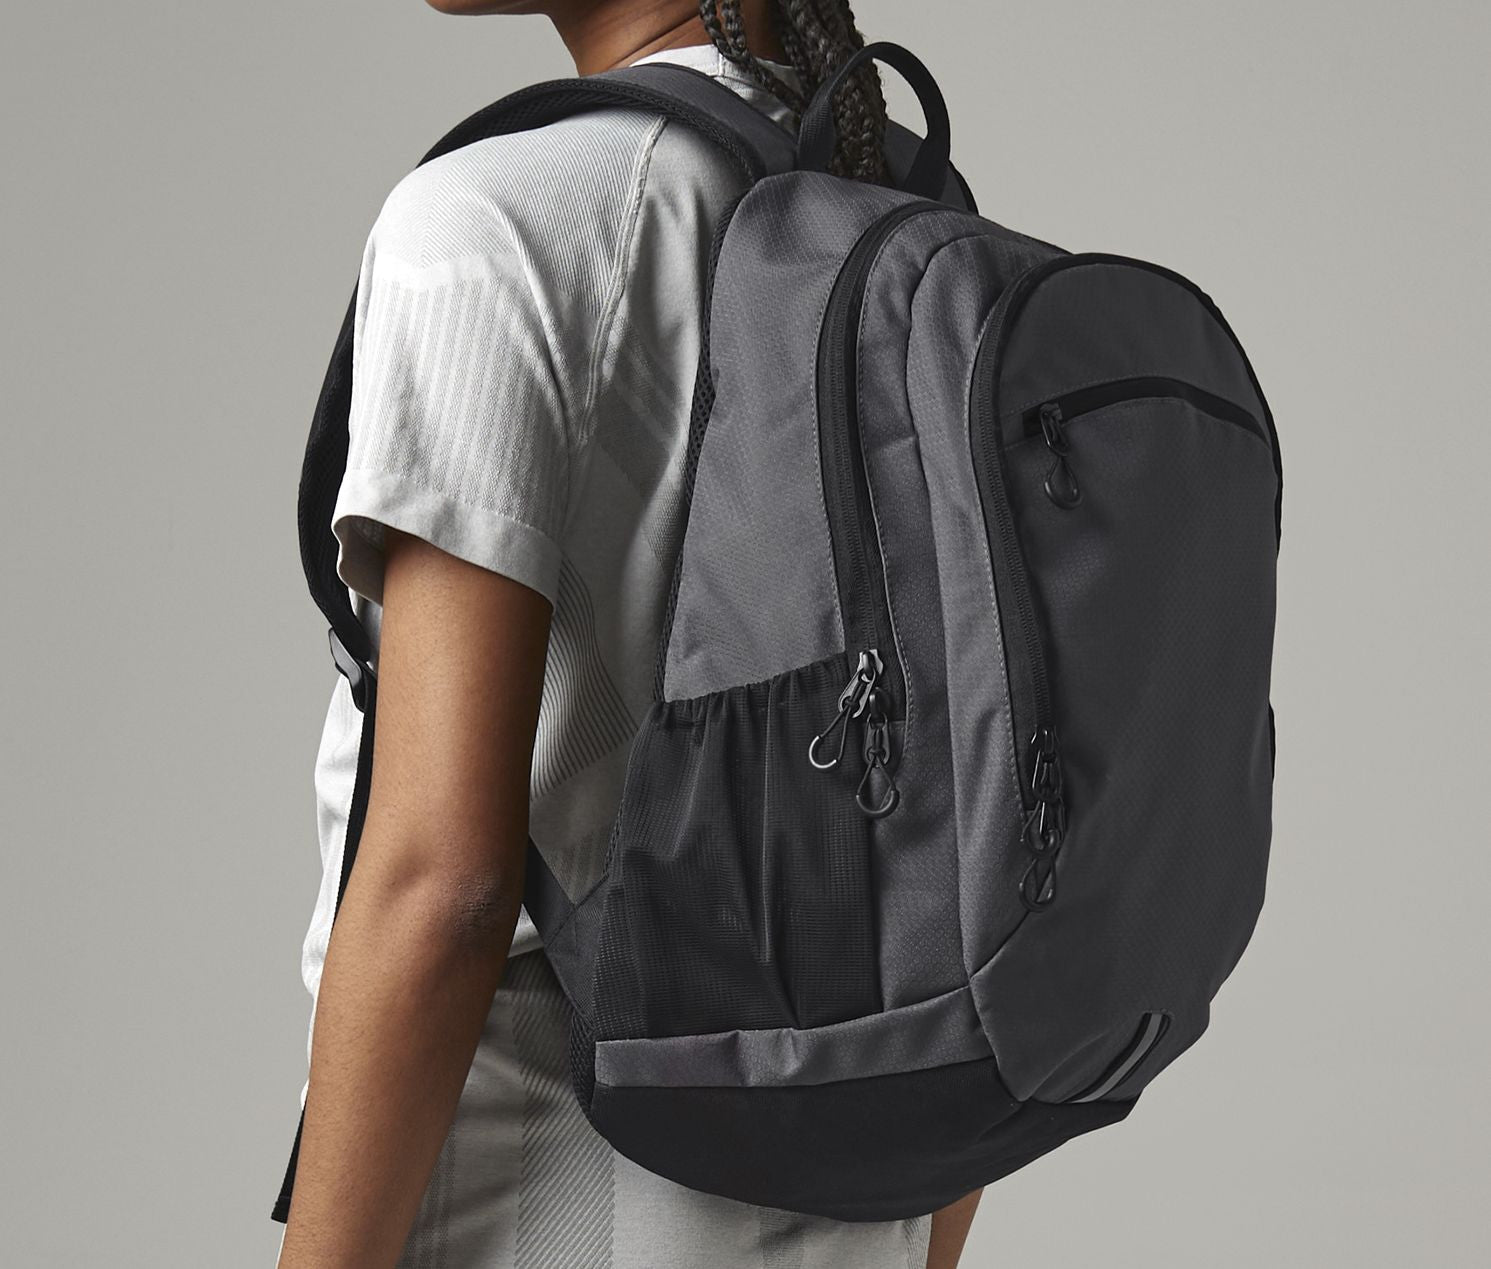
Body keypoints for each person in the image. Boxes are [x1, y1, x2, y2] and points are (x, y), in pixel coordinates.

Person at [275, 3, 983, 1265]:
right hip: (856, 1188)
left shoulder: (494, 220)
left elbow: (445, 887)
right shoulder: (908, 218)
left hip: (535, 1180)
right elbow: (974, 853)